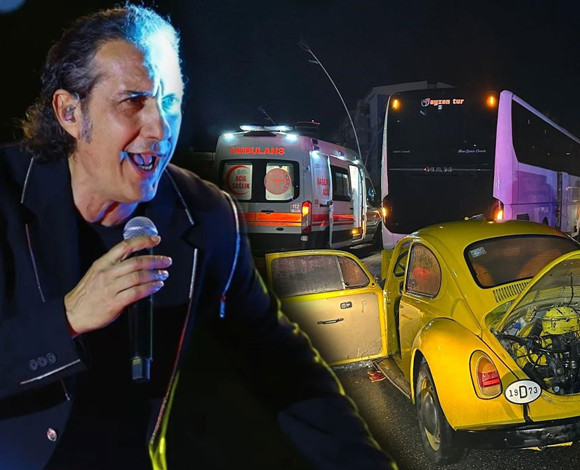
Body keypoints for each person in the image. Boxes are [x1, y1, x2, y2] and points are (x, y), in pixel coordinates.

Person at [0, 5, 395, 470]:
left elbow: (283, 368)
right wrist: (67, 318)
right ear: (70, 112)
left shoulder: (206, 216)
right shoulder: (7, 193)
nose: (161, 129)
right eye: (133, 101)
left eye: (170, 101)